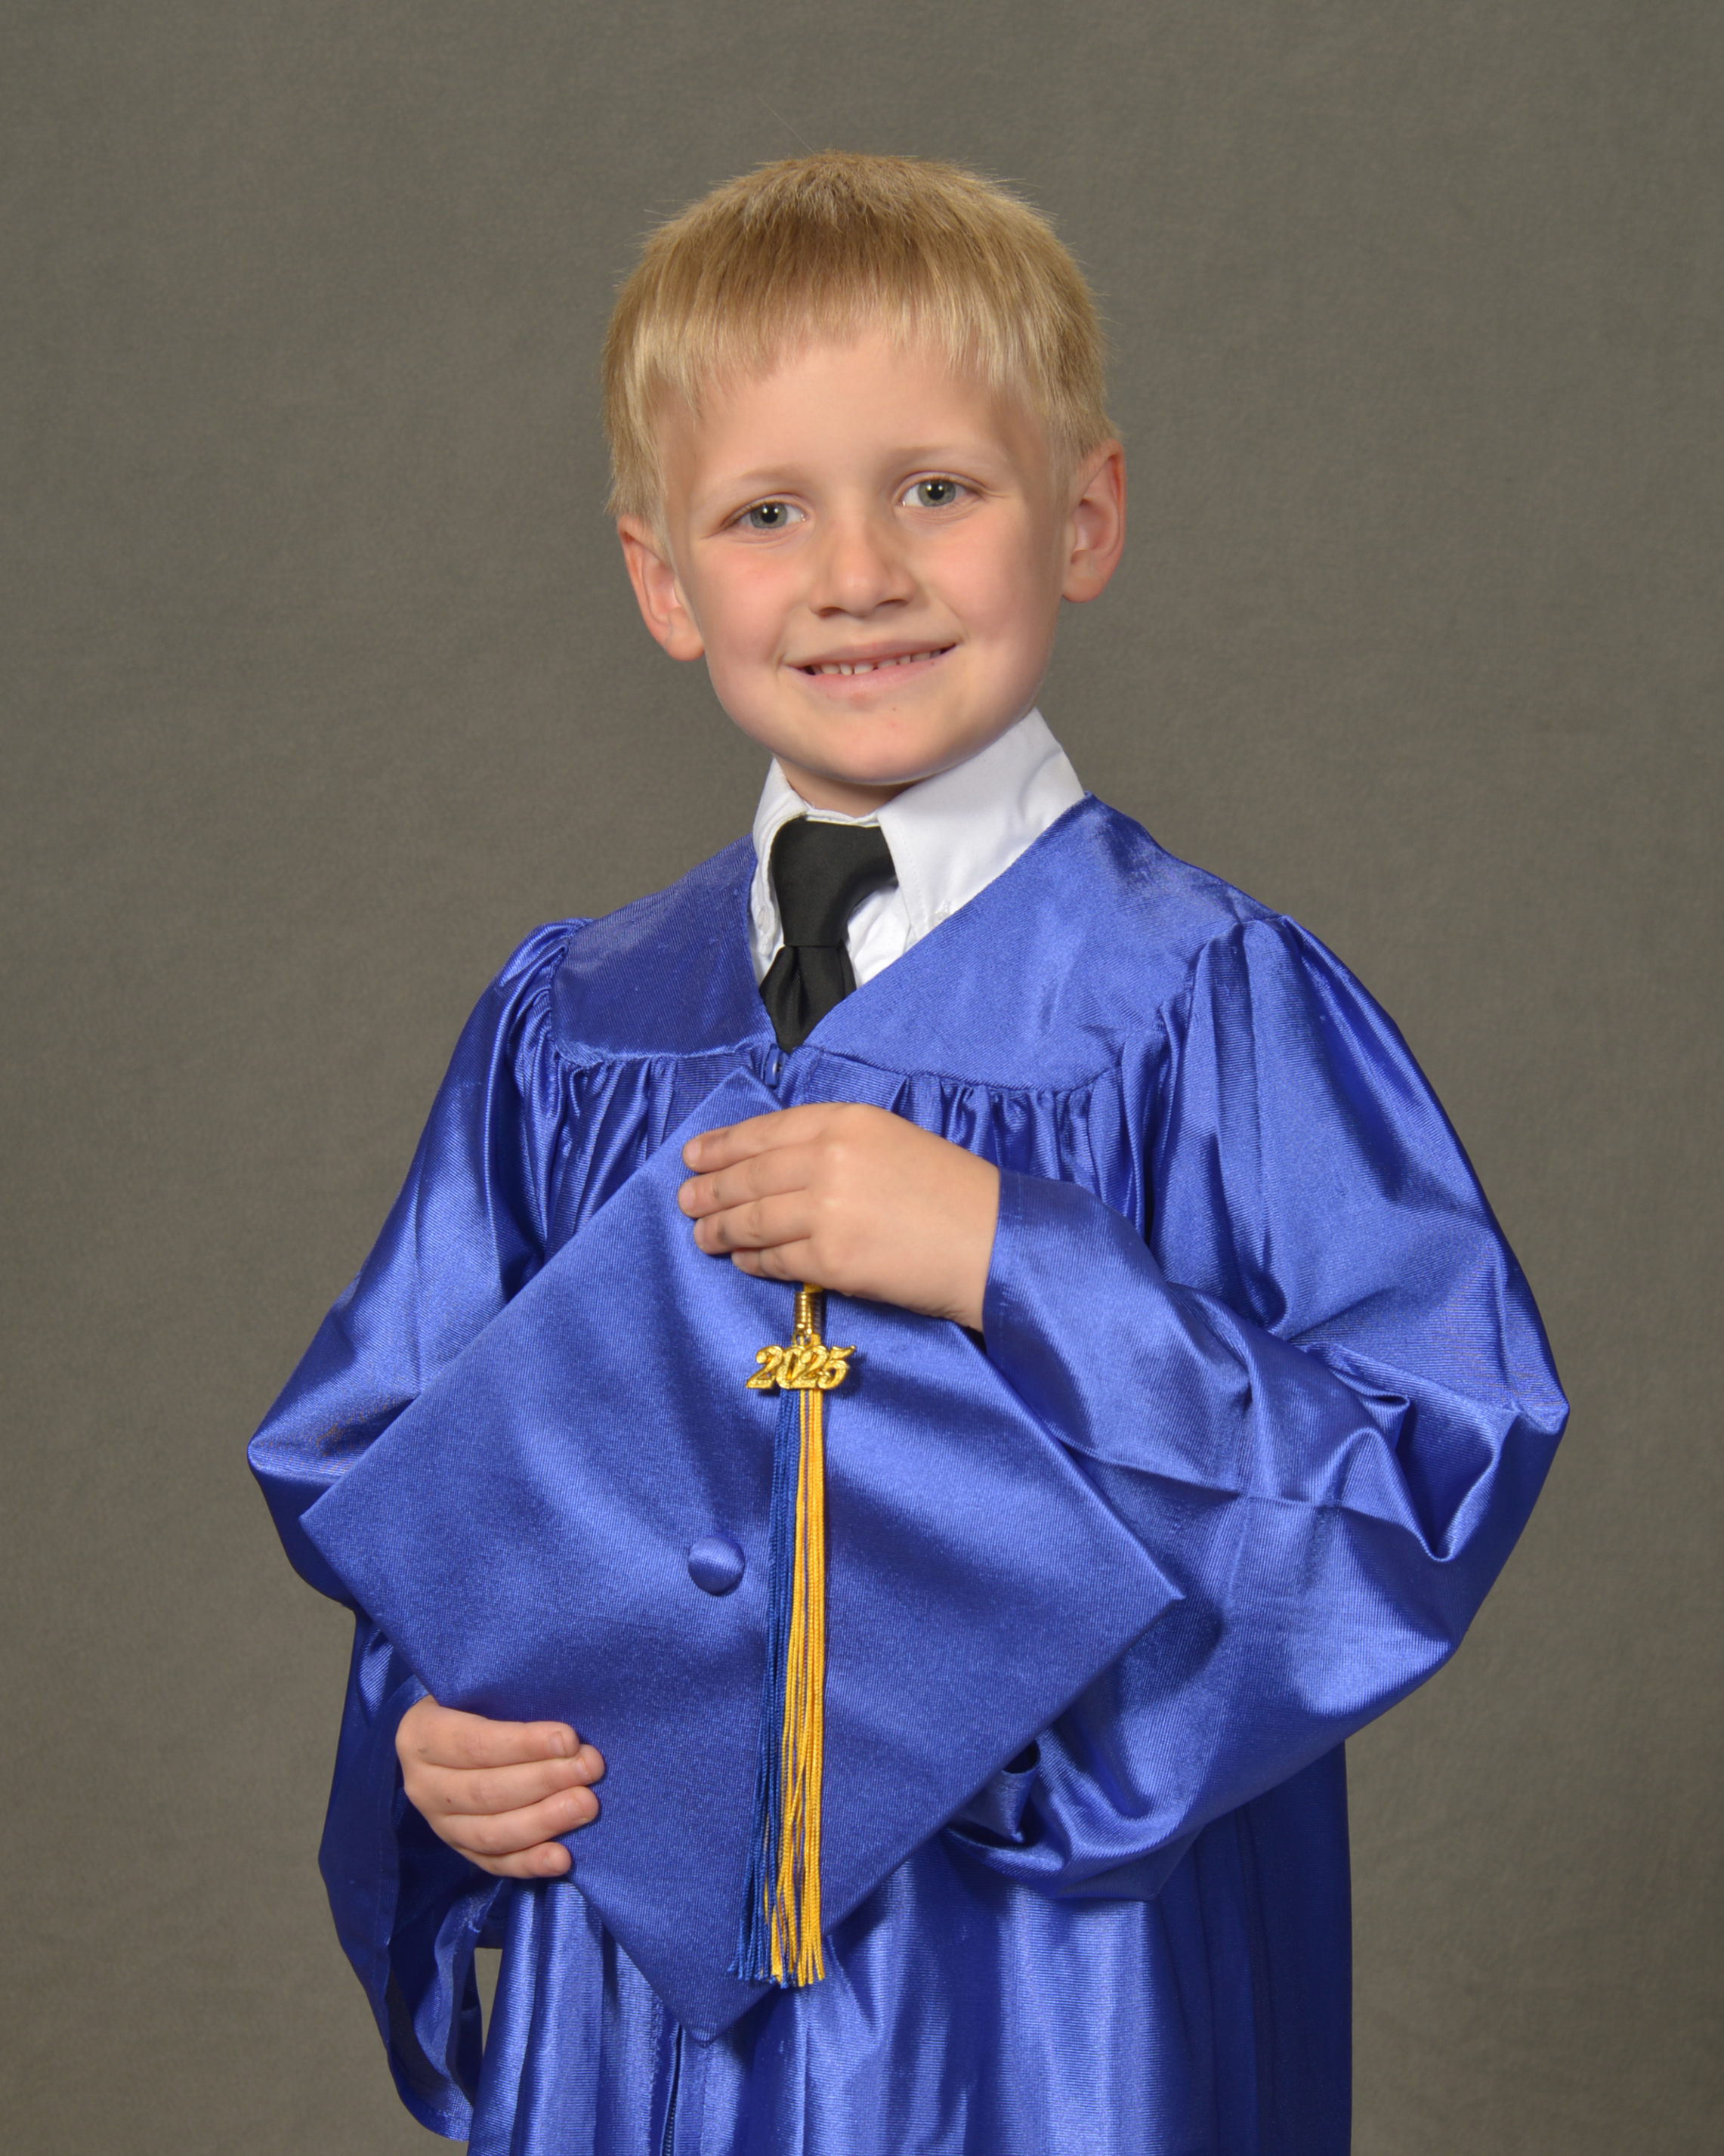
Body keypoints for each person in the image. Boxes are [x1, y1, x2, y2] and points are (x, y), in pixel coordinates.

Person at [249, 153, 1567, 2155]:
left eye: (936, 489)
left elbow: (1425, 1462)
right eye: (765, 513)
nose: (855, 573)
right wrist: (438, 1738)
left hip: (1056, 1991)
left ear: (1084, 516)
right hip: (644, 2008)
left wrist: (1015, 1262)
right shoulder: (574, 1030)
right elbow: (409, 1485)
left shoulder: (1202, 1006)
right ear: (662, 581)